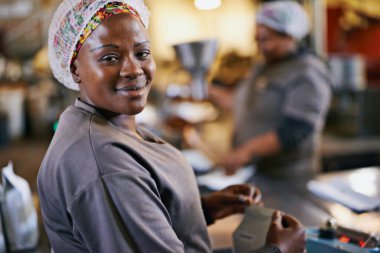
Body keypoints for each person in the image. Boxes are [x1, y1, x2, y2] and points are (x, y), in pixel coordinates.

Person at [37, 0, 306, 252]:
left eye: (142, 52)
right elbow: (121, 191)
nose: (134, 69)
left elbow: (134, 215)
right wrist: (277, 250)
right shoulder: (106, 166)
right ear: (75, 70)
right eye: (110, 57)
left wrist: (197, 210)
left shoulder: (110, 125)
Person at [210, 0, 332, 177]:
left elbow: (297, 129)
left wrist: (247, 150)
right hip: (256, 173)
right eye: (257, 39)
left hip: (288, 178)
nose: (261, 47)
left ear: (289, 36)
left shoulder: (307, 71)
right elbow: (242, 103)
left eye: (267, 39)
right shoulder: (263, 67)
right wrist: (208, 92)